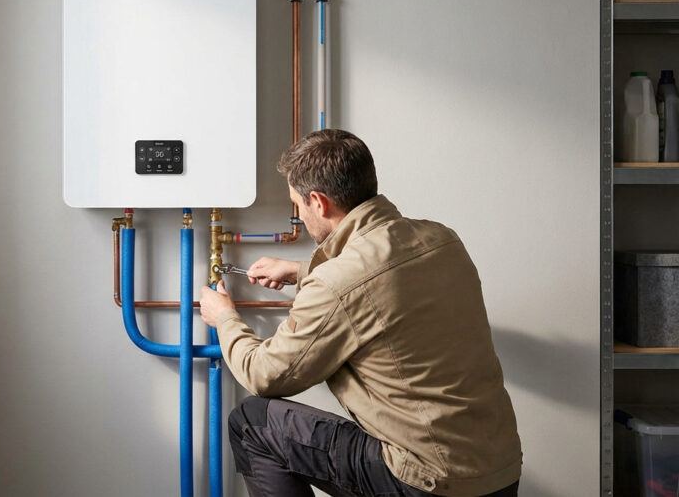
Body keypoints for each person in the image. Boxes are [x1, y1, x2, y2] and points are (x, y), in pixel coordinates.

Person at [199, 129, 522, 497]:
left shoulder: (339, 283)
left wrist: (224, 316)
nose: (299, 216)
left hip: (426, 484)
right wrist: (300, 270)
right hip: (499, 473)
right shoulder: (441, 239)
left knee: (252, 423)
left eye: (297, 205)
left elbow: (265, 375)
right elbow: (381, 281)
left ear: (319, 203)